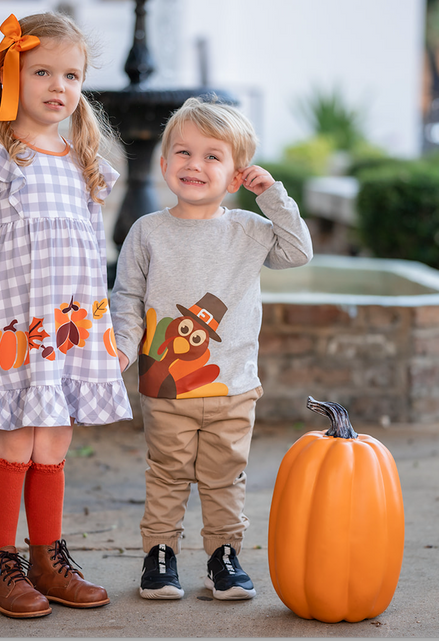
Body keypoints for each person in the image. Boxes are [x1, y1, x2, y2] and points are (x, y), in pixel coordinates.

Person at [0, 12, 132, 619]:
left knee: (55, 440)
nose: (58, 86)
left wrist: (103, 331)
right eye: (41, 71)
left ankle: (48, 560)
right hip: (14, 330)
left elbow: (93, 255)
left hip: (69, 330)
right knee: (15, 439)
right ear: (9, 79)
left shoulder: (83, 162)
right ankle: (2, 566)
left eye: (71, 75)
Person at [110, 96, 313, 601]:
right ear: (164, 163)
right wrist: (121, 347)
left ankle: (224, 556)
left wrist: (273, 195)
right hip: (163, 385)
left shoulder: (249, 230)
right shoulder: (147, 231)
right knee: (169, 473)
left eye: (212, 156)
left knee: (225, 476)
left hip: (235, 385)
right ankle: (160, 556)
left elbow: (298, 251)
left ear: (236, 174)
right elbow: (128, 296)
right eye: (183, 152)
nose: (195, 165)